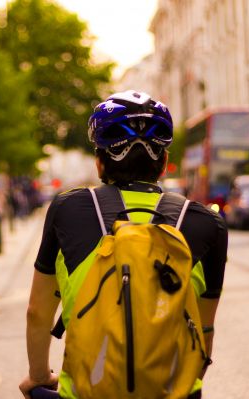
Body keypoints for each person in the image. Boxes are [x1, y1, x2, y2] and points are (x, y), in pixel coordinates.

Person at [19, 90, 228, 398]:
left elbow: (37, 312)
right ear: (164, 162)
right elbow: (204, 328)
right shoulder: (206, 223)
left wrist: (38, 377)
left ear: (100, 163)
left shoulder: (68, 209)